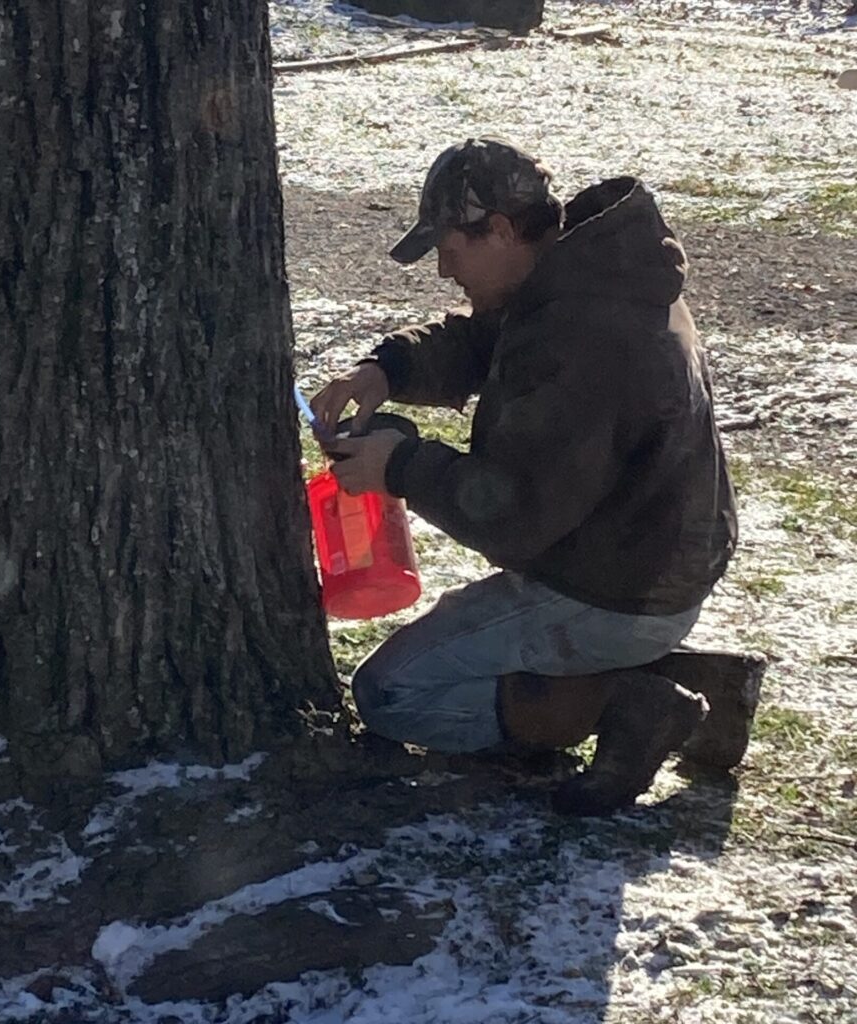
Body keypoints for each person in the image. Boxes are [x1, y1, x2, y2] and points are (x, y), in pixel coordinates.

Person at [310, 136, 738, 816]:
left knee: (390, 694)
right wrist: (388, 369)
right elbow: (488, 339)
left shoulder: (581, 332)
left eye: (450, 251)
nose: (445, 272)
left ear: (501, 232)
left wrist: (401, 466)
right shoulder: (586, 271)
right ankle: (691, 679)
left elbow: (514, 518)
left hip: (611, 588)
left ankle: (628, 703)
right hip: (648, 564)